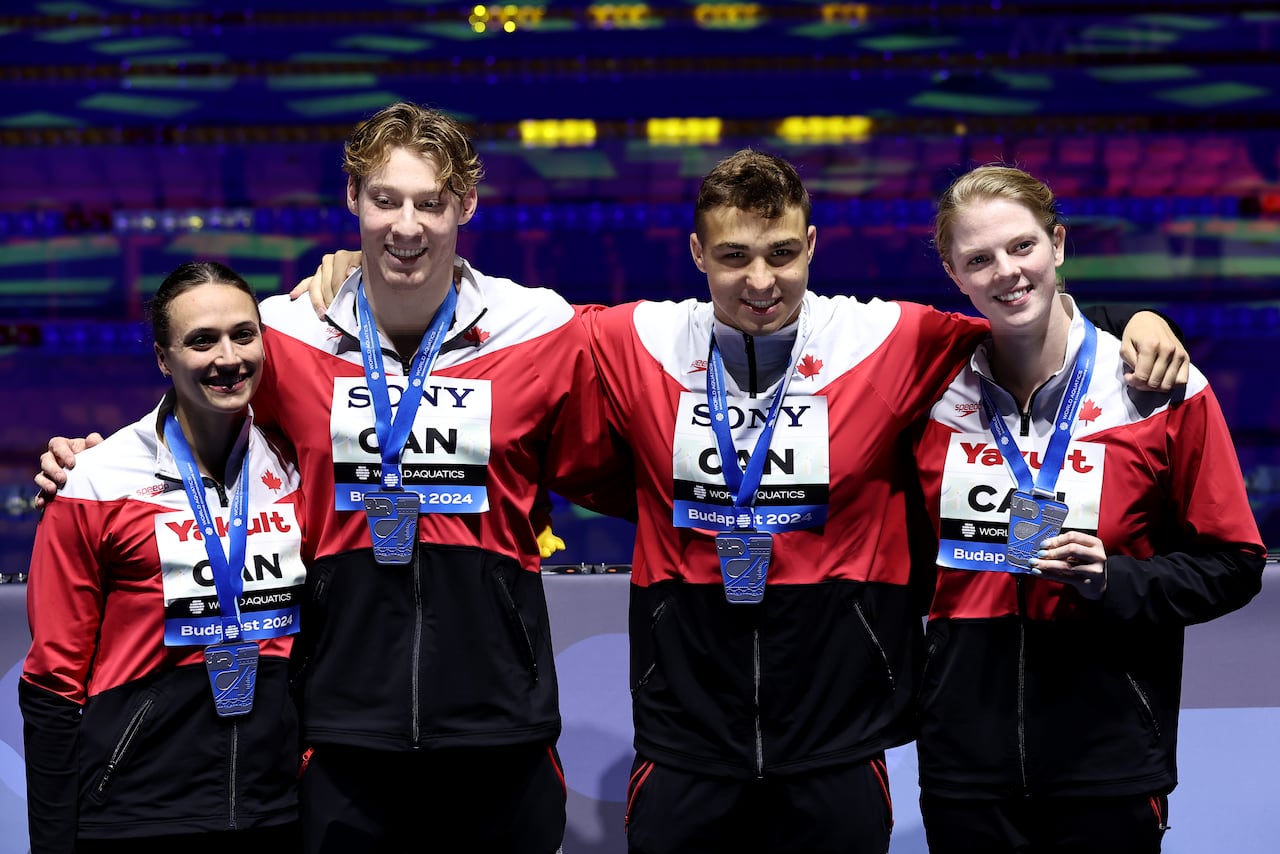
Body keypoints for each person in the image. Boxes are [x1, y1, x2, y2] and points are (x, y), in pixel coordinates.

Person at [287, 149, 1190, 853]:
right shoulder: (631, 337)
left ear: (810, 245)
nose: (761, 281)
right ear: (696, 254)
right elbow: (475, 315)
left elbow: (1024, 314)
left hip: (837, 741)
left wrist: (1136, 320)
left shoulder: (887, 336)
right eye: (734, 257)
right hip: (687, 745)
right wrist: (354, 268)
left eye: (781, 254)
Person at [34, 102, 632, 854]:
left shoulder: (539, 327)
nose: (406, 226)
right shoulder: (285, 333)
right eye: (385, 200)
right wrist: (90, 459)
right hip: (343, 735)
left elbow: (607, 461)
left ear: (467, 206)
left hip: (500, 730)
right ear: (352, 199)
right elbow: (199, 403)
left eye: (429, 203)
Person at [912, 164, 1266, 854]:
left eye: (1022, 247)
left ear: (1059, 245)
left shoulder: (1158, 386)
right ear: (955, 277)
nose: (1006, 272)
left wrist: (1116, 582)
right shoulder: (926, 390)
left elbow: (1234, 563)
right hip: (963, 763)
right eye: (979, 259)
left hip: (1109, 759)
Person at [20, 261, 306, 854]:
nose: (228, 357)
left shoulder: (296, 466)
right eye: (201, 340)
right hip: (137, 814)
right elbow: (52, 682)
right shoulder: (96, 481)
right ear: (163, 357)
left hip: (277, 810)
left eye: (243, 334)